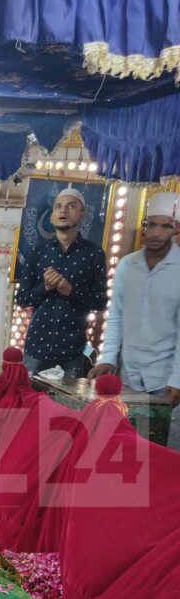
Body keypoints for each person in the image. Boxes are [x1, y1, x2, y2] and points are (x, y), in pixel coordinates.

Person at [90, 192, 180, 448]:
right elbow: (116, 314)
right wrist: (107, 358)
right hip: (130, 374)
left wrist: (177, 380)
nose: (157, 232)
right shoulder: (128, 266)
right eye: (151, 224)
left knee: (166, 451)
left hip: (167, 381)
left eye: (166, 226)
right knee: (128, 448)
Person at [16, 186, 107, 378]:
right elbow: (22, 299)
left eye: (71, 206)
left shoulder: (93, 253)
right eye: (58, 207)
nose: (63, 210)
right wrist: (45, 287)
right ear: (51, 216)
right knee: (31, 403)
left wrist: (71, 290)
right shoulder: (37, 253)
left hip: (72, 351)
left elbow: (100, 302)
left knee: (66, 407)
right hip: (36, 348)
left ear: (82, 214)